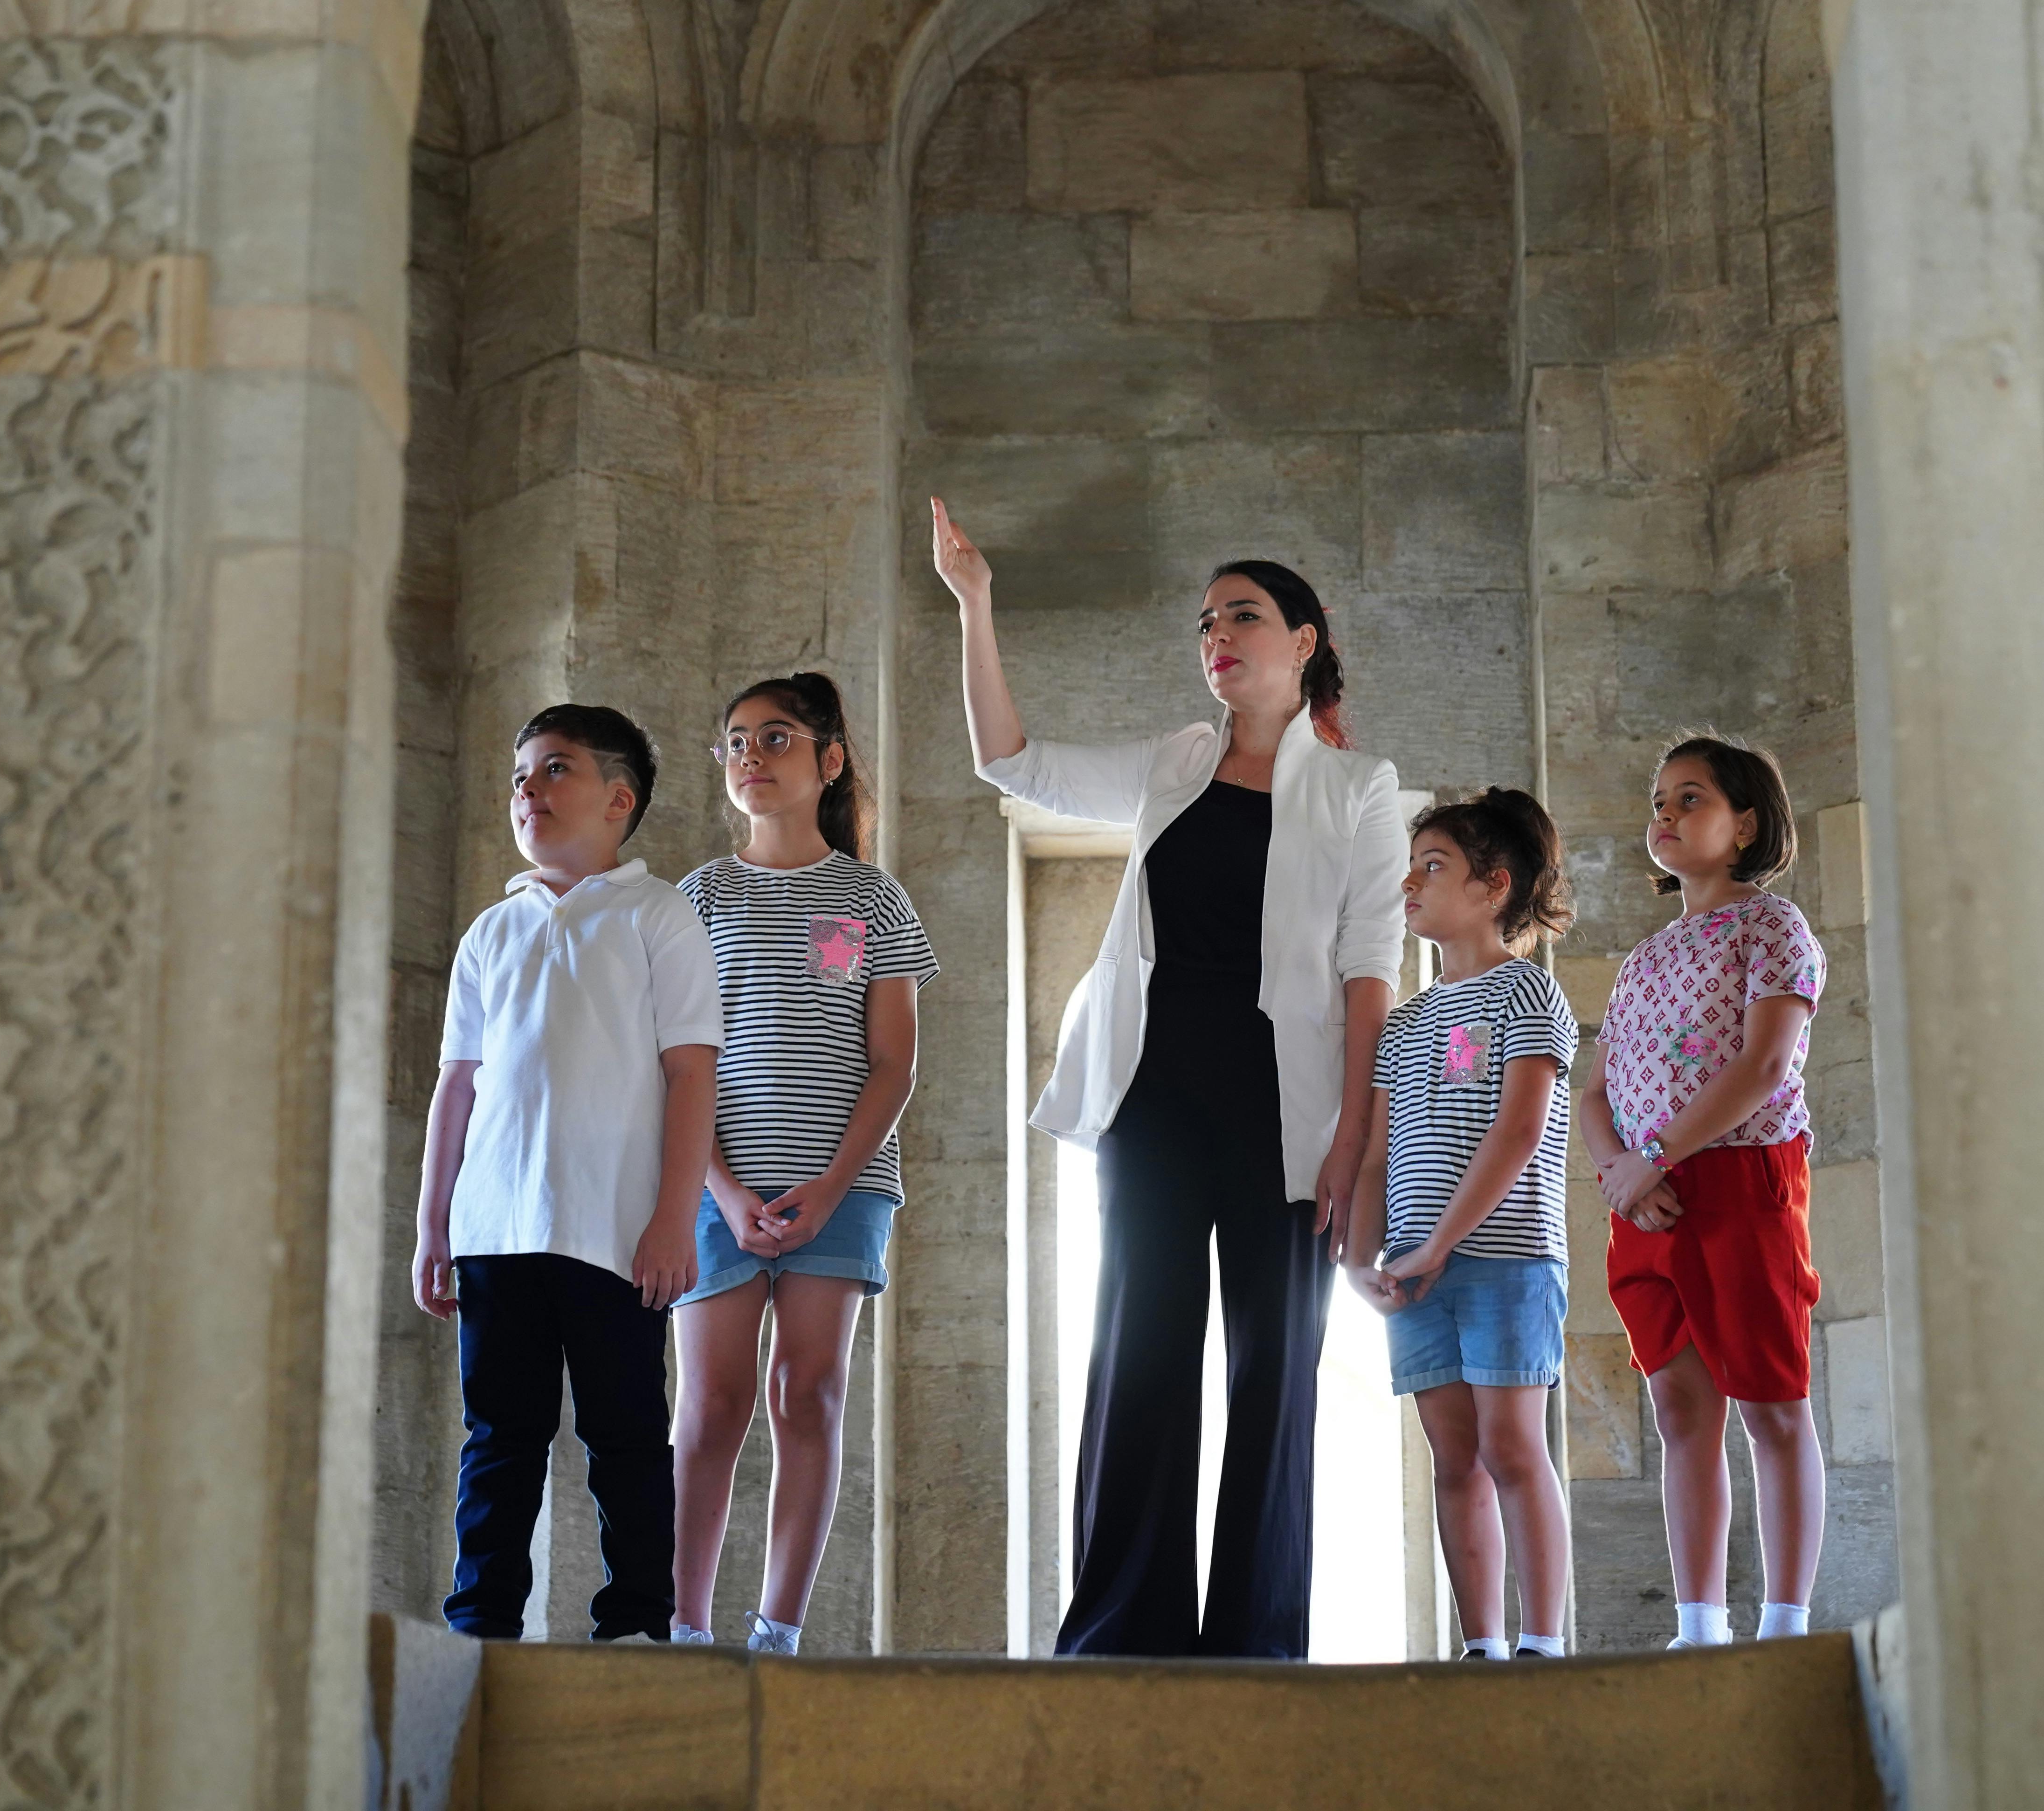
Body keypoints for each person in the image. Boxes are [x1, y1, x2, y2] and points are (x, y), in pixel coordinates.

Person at [928, 497, 1405, 1660]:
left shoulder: (1362, 787)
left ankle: (1257, 1638)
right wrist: (976, 604)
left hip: (1283, 1108)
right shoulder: (1171, 763)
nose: (1217, 636)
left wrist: (1353, 1141)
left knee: (1274, 1365)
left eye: (1243, 615)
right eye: (1204, 622)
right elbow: (1011, 759)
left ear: (1305, 640)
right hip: (1149, 1090)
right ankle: (1120, 1627)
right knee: (1139, 1345)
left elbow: (1369, 973)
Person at [412, 704, 722, 1641]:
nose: (528, 790)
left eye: (556, 770)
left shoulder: (658, 914)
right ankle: (481, 1623)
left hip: (616, 1233)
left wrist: (675, 1218)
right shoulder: (489, 932)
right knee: (499, 1438)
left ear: (618, 799)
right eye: (520, 775)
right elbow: (456, 1090)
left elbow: (692, 1073)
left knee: (625, 1436)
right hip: (495, 1231)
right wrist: (434, 1227)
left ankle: (636, 1620)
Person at [668, 673, 936, 1656]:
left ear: (828, 760)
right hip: (714, 1191)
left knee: (808, 1392)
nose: (751, 756)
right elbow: (679, 1065)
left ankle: (778, 1626)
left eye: (775, 738)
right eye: (735, 740)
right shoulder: (699, 894)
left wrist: (828, 1187)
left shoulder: (874, 897)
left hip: (846, 1190)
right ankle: (686, 1621)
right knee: (710, 1405)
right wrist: (725, 1192)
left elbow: (896, 1062)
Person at [1585, 733, 1827, 1649]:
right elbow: (1596, 1089)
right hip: (1645, 1193)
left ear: (1748, 822)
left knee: (1772, 1400)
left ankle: (1786, 1622)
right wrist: (1620, 1169)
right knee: (1680, 1407)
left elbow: (1764, 1064)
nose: (1667, 814)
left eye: (1691, 798)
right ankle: (1699, 1625)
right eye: (1659, 800)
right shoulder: (1643, 959)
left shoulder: (1775, 928)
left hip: (1741, 1179)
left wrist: (1653, 1152)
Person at [1346, 790, 1579, 1661]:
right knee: (1454, 1460)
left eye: (1433, 866)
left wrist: (1441, 1245)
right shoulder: (1402, 1026)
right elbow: (1374, 1155)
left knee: (1515, 1447)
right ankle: (1481, 1646)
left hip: (1505, 1261)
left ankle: (1543, 1642)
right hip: (1413, 1275)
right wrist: (1360, 1263)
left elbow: (1519, 1132)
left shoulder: (1528, 992)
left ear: (1493, 887)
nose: (1410, 882)